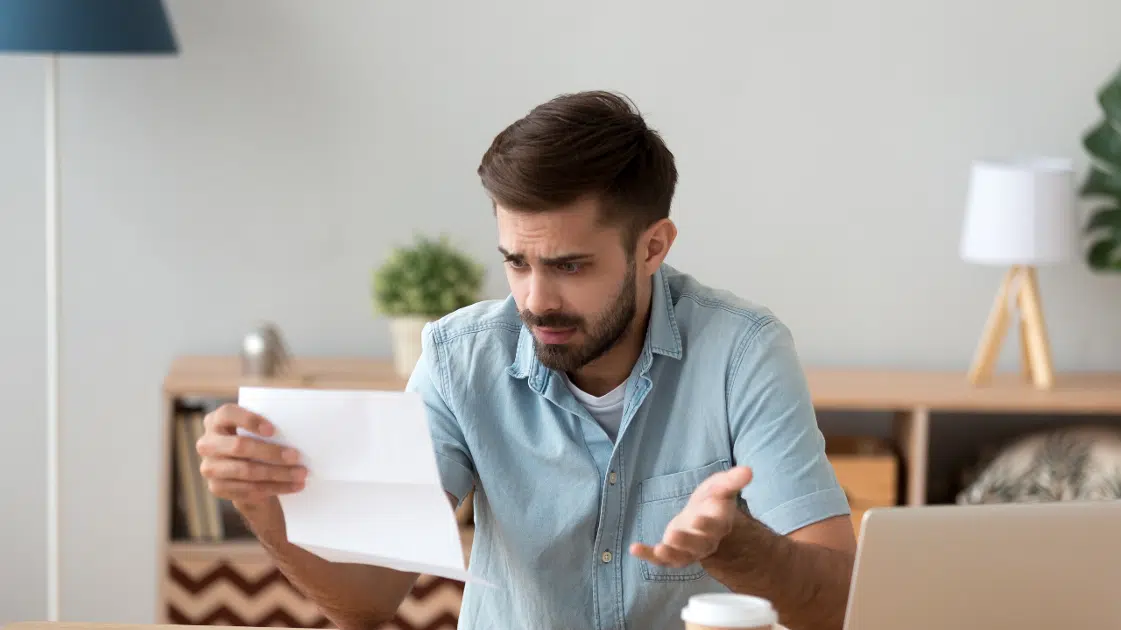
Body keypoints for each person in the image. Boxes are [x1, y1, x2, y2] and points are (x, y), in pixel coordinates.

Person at [196, 90, 856, 630]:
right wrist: (261, 506)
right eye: (516, 262)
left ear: (651, 247)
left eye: (569, 266)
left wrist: (739, 546)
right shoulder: (459, 361)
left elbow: (836, 604)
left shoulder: (741, 352)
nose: (536, 302)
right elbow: (369, 601)